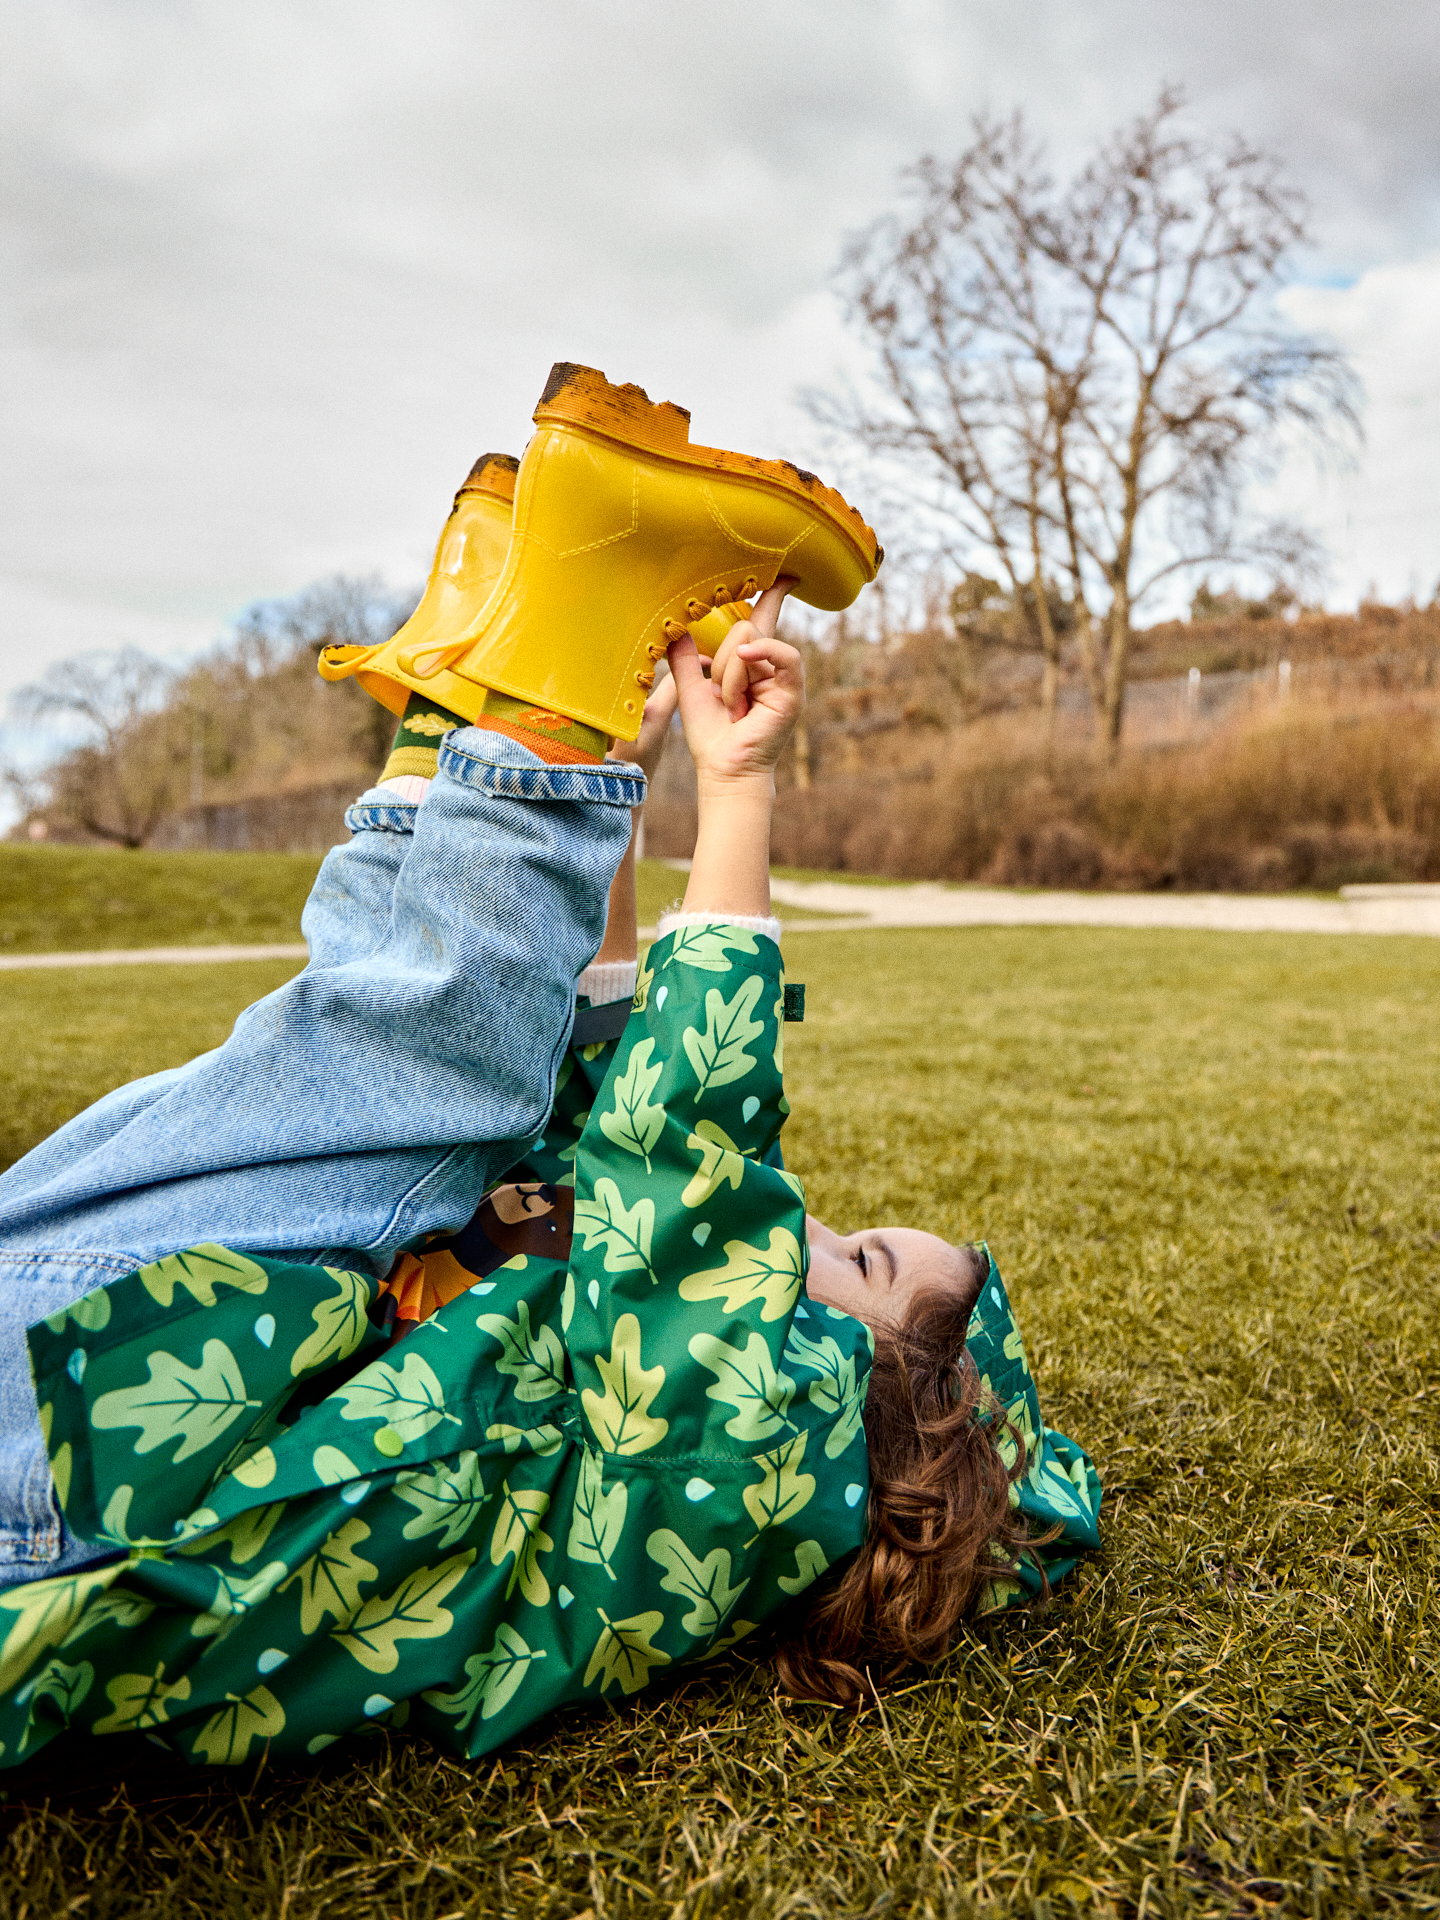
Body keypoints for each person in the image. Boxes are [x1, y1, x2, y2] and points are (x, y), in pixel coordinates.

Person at [0, 366, 1100, 1768]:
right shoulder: (671, 1441)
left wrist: (741, 787)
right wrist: (617, 794)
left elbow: (679, 1156)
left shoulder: (755, 1488)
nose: (820, 1224)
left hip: (92, 1489)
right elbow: (594, 1081)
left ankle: (539, 661)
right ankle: (492, 696)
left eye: (866, 1259)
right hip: (85, 1432)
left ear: (880, 1392)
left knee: (427, 1099)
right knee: (468, 1086)